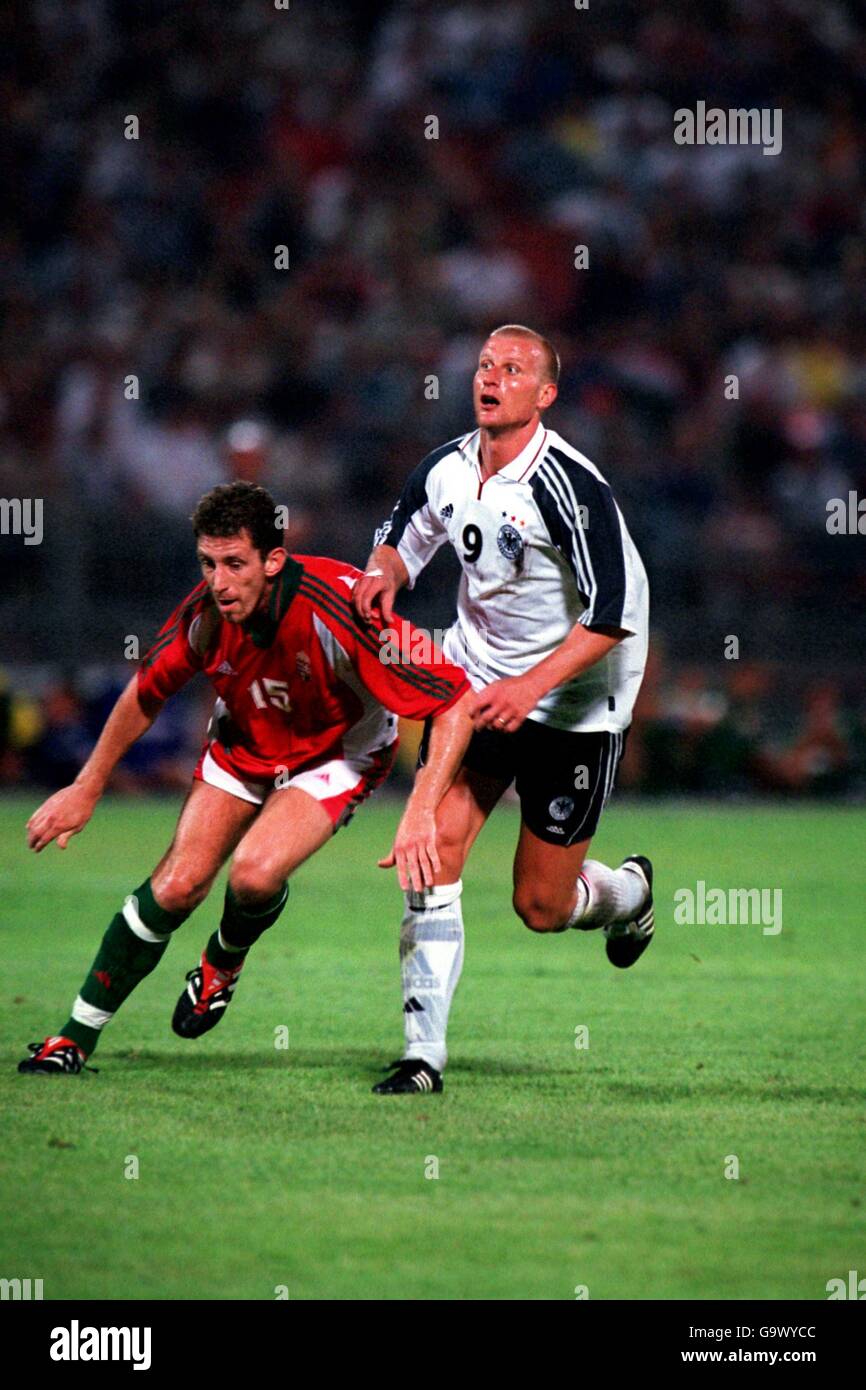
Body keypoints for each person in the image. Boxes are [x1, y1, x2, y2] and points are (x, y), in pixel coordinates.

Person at [19, 482, 472, 1075]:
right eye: (208, 563)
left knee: (254, 875)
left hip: (336, 756)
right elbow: (144, 693)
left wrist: (419, 809)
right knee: (176, 886)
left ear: (273, 560)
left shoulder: (346, 608)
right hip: (244, 744)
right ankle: (73, 1039)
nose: (219, 581)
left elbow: (454, 699)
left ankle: (223, 961)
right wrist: (88, 785)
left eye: (235, 564)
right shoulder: (205, 614)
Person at [354, 324, 651, 1095]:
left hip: (580, 699)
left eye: (513, 368)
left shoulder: (570, 486)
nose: (492, 376)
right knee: (434, 847)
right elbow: (400, 536)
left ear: (545, 395)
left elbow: (610, 612)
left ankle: (629, 894)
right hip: (480, 683)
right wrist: (382, 572)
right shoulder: (448, 467)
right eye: (486, 364)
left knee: (541, 906)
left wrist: (533, 688)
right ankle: (423, 1057)